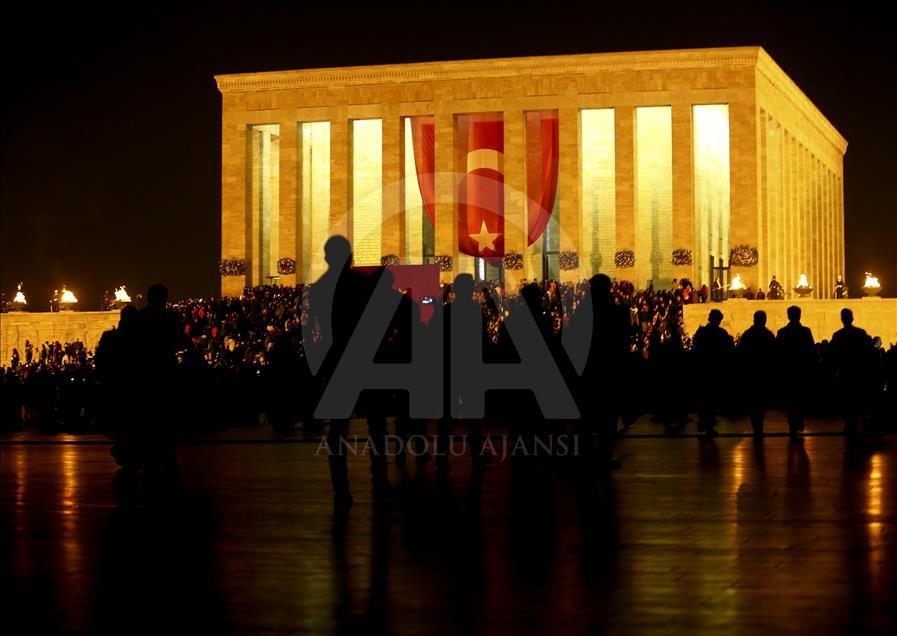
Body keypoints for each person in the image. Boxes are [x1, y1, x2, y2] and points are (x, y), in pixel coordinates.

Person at [308, 236, 379, 508]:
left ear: (327, 258)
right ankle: (380, 477)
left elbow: (317, 335)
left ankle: (341, 488)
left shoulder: (318, 289)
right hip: (364, 358)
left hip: (337, 361)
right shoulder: (362, 284)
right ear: (350, 257)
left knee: (338, 428)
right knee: (376, 422)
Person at [577, 274, 631, 469]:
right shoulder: (616, 312)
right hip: (609, 371)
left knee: (586, 418)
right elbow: (623, 341)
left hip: (588, 372)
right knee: (608, 417)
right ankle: (605, 456)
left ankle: (585, 456)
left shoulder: (582, 312)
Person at [828, 308, 874, 434]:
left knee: (847, 399)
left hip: (845, 372)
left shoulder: (838, 335)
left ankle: (849, 423)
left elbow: (832, 354)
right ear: (852, 318)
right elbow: (869, 352)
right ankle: (855, 422)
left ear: (842, 319)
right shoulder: (861, 333)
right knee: (857, 398)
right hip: (858, 372)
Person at [692, 309, 734, 437]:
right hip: (716, 371)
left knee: (703, 398)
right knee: (713, 400)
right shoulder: (722, 334)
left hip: (703, 370)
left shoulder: (701, 332)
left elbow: (695, 350)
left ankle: (703, 421)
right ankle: (708, 425)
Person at [775, 305, 816, 436]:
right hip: (801, 371)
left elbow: (777, 353)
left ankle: (793, 425)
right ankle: (798, 420)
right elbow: (811, 351)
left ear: (788, 316)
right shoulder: (805, 332)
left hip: (788, 371)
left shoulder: (782, 332)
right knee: (800, 398)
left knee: (790, 400)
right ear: (799, 316)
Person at [737, 310, 776, 436]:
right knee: (761, 403)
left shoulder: (747, 335)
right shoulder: (768, 335)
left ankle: (756, 426)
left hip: (751, 373)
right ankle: (758, 426)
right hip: (763, 373)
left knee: (754, 402)